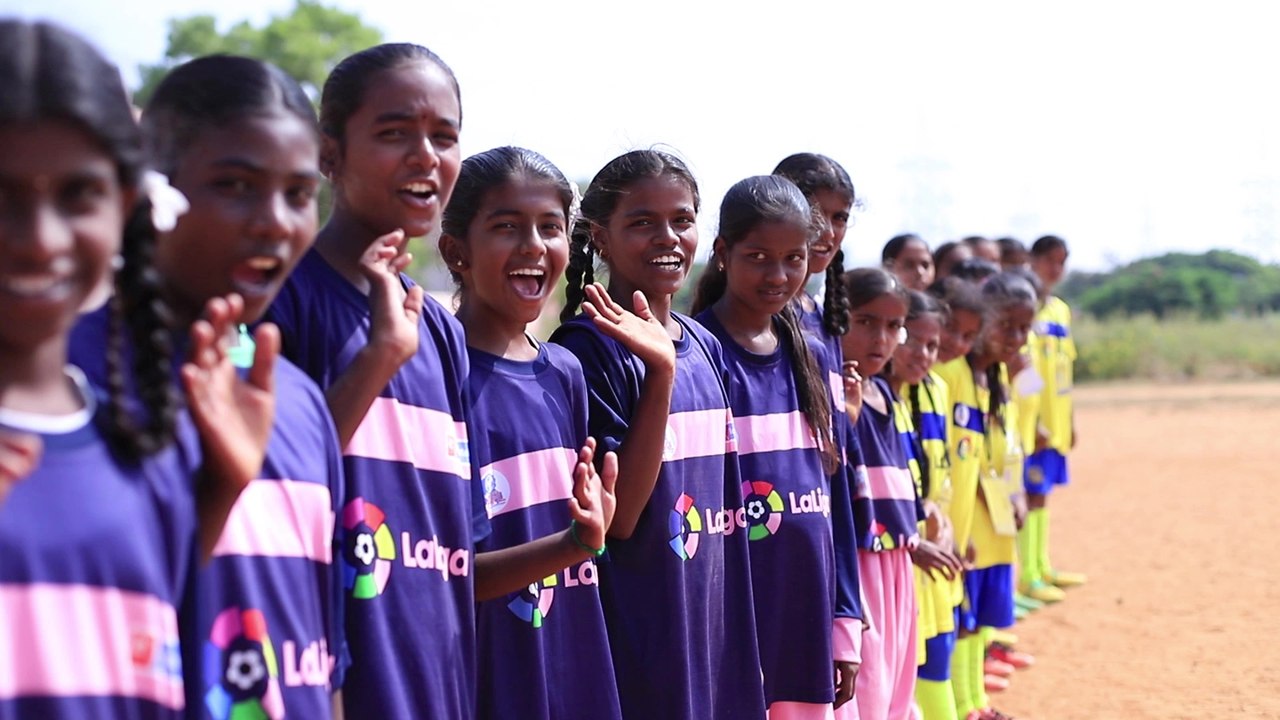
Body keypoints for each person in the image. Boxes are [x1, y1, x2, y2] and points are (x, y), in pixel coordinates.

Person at [266, 44, 611, 720]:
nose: (427, 155)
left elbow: (458, 563)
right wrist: (376, 361)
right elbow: (266, 497)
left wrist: (574, 544)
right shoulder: (287, 299)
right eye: (396, 132)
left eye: (444, 136)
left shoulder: (441, 334)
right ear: (328, 152)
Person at [0, 22, 270, 718]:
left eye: (77, 195)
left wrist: (215, 492)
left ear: (125, 206)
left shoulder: (143, 443)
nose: (39, 239)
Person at [77, 55, 347, 719]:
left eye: (299, 194)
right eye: (235, 184)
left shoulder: (300, 400)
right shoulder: (66, 382)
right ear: (151, 193)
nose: (276, 222)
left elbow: (324, 658)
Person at [553, 150, 767, 720]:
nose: (667, 237)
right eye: (642, 222)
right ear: (600, 237)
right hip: (644, 642)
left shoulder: (702, 342)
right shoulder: (586, 350)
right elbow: (620, 519)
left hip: (712, 631)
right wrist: (659, 374)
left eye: (682, 219)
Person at [438, 146, 623, 720]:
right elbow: (451, 574)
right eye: (506, 227)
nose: (533, 247)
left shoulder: (565, 371)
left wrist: (587, 533)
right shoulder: (437, 376)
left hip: (570, 662)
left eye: (550, 228)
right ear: (455, 251)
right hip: (487, 676)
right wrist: (573, 545)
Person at [690, 175, 861, 718]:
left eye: (794, 258)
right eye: (759, 256)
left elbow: (835, 501)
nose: (779, 274)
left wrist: (845, 622)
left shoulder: (810, 354)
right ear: (723, 253)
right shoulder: (698, 354)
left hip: (804, 619)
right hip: (731, 621)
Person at [938, 273, 1037, 720]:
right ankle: (961, 705)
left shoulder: (994, 375)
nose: (1016, 338)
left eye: (1024, 328)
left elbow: (1000, 449)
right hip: (962, 525)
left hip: (990, 522)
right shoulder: (954, 373)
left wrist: (1013, 494)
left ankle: (975, 700)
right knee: (960, 622)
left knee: (977, 621)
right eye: (1006, 326)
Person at [834, 268, 921, 720]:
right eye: (866, 322)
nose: (881, 338)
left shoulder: (886, 392)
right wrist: (843, 420)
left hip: (897, 561)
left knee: (899, 677)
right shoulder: (830, 389)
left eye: (893, 326)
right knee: (868, 681)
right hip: (860, 561)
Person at [884, 290, 965, 720]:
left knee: (934, 658)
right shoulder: (877, 397)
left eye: (933, 345)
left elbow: (937, 473)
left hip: (931, 552)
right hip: (897, 559)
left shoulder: (930, 390)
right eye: (912, 340)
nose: (923, 354)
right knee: (898, 676)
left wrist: (940, 517)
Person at [1024, 236, 1085, 593]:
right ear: (1033, 260)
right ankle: (1027, 574)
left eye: (1062, 261)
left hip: (1056, 419)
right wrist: (1033, 421)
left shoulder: (1060, 309)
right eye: (1049, 260)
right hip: (1034, 423)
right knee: (1029, 495)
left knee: (1043, 493)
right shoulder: (1026, 310)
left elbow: (1065, 369)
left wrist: (1070, 418)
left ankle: (1041, 564)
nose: (1055, 269)